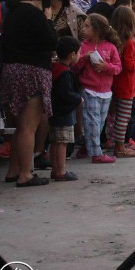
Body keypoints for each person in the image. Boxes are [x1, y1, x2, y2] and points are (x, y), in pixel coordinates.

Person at [0, 1, 58, 187]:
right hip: (32, 71)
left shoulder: (11, 12)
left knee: (19, 126)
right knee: (28, 126)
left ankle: (14, 169)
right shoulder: (34, 14)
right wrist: (48, 20)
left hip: (12, 69)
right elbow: (51, 42)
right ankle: (26, 173)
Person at [74, 13, 122, 164]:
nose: (83, 28)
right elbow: (75, 67)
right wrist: (84, 58)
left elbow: (118, 67)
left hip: (106, 91)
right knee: (93, 121)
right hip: (89, 89)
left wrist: (105, 66)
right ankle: (96, 153)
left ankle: (87, 146)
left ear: (97, 29)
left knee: (99, 122)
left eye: (87, 26)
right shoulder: (82, 47)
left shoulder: (110, 47)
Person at [109, 6, 135, 158]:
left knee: (116, 116)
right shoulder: (128, 41)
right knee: (123, 116)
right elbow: (129, 64)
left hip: (115, 81)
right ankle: (120, 147)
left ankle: (117, 144)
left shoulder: (112, 38)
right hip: (126, 83)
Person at [49, 36, 81, 181]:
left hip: (54, 111)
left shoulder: (55, 68)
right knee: (62, 142)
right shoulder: (65, 73)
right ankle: (61, 171)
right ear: (72, 55)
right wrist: (78, 98)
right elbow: (66, 93)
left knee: (55, 142)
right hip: (64, 112)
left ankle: (55, 168)